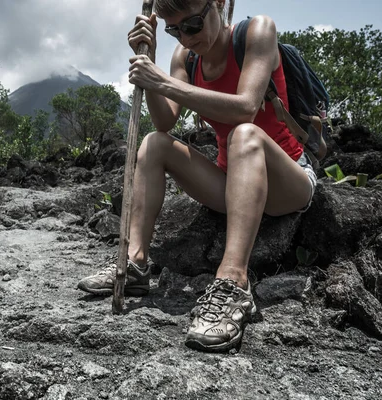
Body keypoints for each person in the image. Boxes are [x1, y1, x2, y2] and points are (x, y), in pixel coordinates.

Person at [77, 0, 318, 352]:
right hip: (233, 182)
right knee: (153, 143)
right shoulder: (185, 58)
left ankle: (234, 282)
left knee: (244, 134)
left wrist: (164, 83)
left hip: (288, 180)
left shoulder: (258, 31)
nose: (187, 38)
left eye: (192, 24)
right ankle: (135, 264)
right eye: (174, 29)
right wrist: (154, 62)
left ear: (218, 4)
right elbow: (164, 122)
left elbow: (246, 107)